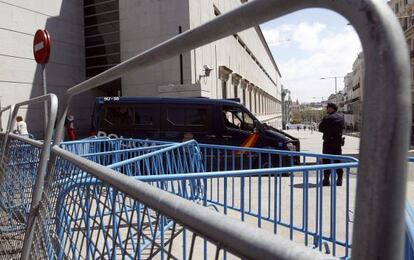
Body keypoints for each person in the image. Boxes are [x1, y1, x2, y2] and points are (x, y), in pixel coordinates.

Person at [318, 103, 344, 186]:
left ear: (331, 108)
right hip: (338, 142)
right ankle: (339, 179)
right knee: (338, 160)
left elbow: (320, 128)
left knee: (327, 160)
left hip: (328, 142)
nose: (326, 109)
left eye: (327, 108)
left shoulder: (327, 117)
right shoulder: (341, 117)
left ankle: (326, 180)